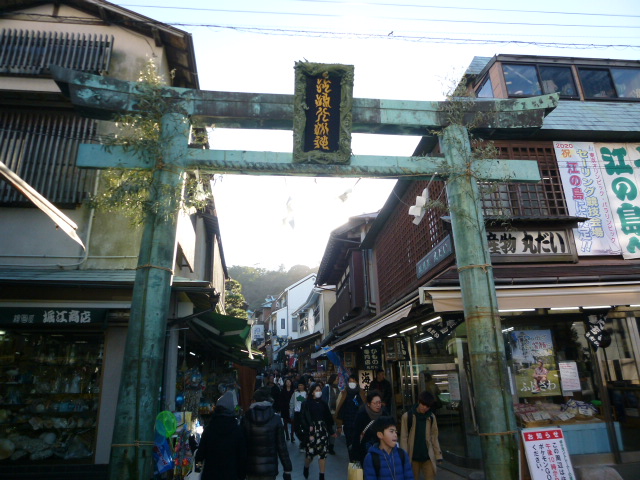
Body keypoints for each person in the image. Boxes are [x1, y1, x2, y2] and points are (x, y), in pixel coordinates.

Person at [194, 391, 246, 480]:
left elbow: (200, 454)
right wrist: (241, 476)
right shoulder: (237, 431)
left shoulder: (209, 429)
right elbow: (242, 457)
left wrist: (198, 469)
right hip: (231, 475)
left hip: (210, 475)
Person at [242, 389, 293, 480]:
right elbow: (281, 447)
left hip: (252, 468)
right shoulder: (275, 418)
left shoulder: (246, 418)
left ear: (254, 400)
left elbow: (242, 446)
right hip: (269, 469)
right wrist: (287, 469)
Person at [400, 391, 443, 480]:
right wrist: (404, 457)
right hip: (412, 457)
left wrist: (438, 455)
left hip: (428, 456)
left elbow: (434, 437)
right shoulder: (407, 416)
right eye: (423, 404)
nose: (425, 408)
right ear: (419, 402)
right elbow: (404, 438)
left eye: (427, 406)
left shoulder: (431, 417)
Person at [299, 383, 335, 480]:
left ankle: (322, 475)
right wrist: (307, 428)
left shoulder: (323, 403)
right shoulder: (306, 403)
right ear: (312, 392)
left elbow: (328, 418)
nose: (318, 392)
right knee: (310, 454)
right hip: (311, 431)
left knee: (323, 454)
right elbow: (302, 418)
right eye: (316, 390)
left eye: (319, 390)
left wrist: (331, 431)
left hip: (322, 430)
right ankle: (306, 467)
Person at [335, 374, 366, 458]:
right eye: (350, 381)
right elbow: (339, 408)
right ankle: (352, 460)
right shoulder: (344, 393)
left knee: (359, 443)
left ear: (357, 382)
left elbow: (365, 407)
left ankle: (358, 460)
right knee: (349, 443)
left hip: (359, 423)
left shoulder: (361, 393)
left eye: (353, 381)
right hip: (348, 422)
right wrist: (339, 425)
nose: (352, 383)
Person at [352, 390, 386, 465]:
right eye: (375, 403)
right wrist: (355, 456)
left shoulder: (385, 414)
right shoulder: (361, 415)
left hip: (381, 450)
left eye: (379, 402)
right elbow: (356, 435)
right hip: (365, 451)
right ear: (369, 404)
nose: (378, 405)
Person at [321, 374, 339, 455]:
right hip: (328, 412)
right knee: (327, 429)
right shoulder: (327, 388)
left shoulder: (338, 389)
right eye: (337, 379)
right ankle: (326, 444)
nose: (338, 380)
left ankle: (331, 446)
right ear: (333, 379)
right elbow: (324, 400)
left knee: (333, 429)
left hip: (335, 413)